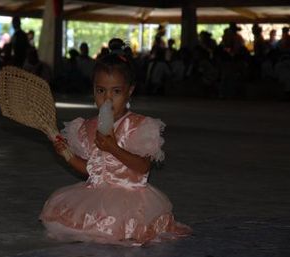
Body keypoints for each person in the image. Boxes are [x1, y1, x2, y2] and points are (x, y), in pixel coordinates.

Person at [40, 38, 192, 246]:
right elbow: (90, 170)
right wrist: (66, 154)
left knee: (121, 228)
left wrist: (113, 148)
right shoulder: (87, 127)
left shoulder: (138, 126)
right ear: (93, 90)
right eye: (101, 90)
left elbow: (142, 166)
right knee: (66, 219)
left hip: (130, 197)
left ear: (129, 91)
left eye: (116, 91)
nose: (108, 99)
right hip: (95, 194)